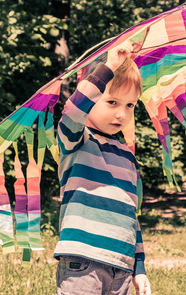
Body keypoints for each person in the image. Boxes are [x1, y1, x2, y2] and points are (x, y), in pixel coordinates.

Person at [54, 41, 151, 295]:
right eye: (112, 102)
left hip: (122, 266)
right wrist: (108, 67)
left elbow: (132, 216)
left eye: (130, 105)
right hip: (83, 260)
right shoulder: (77, 140)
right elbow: (73, 112)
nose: (121, 114)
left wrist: (139, 268)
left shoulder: (127, 156)